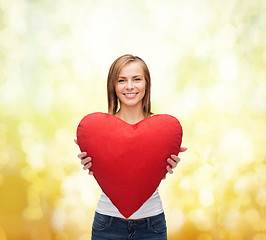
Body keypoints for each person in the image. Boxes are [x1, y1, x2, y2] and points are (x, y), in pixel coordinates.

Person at [74, 54, 187, 240]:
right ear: (114, 86)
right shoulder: (99, 130)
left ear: (146, 84)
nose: (129, 86)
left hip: (152, 226)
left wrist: (167, 162)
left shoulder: (162, 130)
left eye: (136, 79)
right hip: (107, 225)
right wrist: (92, 162)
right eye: (121, 80)